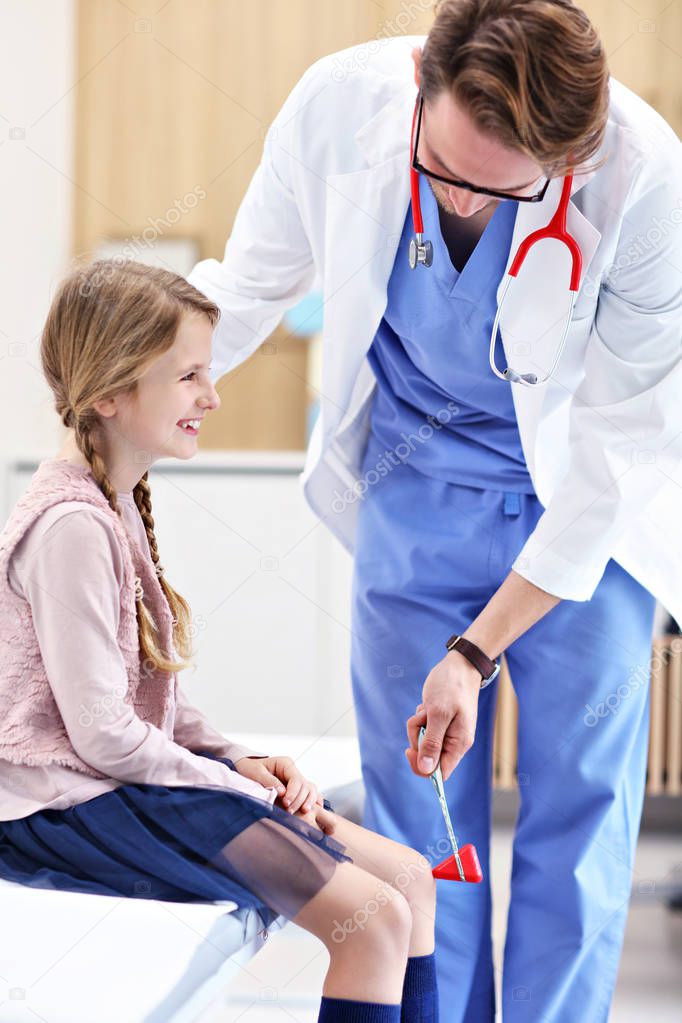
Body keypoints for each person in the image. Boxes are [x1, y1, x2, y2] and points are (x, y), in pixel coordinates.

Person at [185, 1, 682, 1020]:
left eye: (501, 192)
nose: (460, 204)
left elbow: (615, 454)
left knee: (579, 820)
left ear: (567, 157)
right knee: (420, 821)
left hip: (584, 525)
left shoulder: (646, 183)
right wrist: (118, 404)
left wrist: (476, 650)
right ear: (420, 78)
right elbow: (245, 292)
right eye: (443, 172)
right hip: (415, 498)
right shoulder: (338, 106)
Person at [0, 259, 440, 1023]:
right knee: (370, 921)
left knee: (409, 879)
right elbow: (103, 735)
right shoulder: (71, 525)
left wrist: (237, 758)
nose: (213, 395)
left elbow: (147, 696)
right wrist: (239, 790)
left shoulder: (112, 501)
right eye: (189, 376)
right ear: (108, 392)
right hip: (68, 804)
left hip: (112, 781)